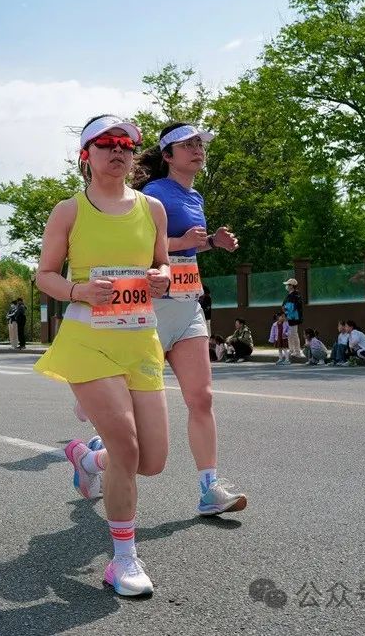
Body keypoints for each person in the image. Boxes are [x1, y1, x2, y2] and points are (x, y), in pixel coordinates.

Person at [35, 114, 172, 597]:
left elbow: (163, 265)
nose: (118, 150)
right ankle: (123, 560)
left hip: (140, 341)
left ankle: (89, 459)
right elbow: (44, 275)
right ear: (86, 155)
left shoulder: (154, 209)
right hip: (88, 342)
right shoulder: (68, 211)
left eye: (126, 145)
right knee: (128, 448)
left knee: (151, 461)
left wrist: (161, 278)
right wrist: (78, 290)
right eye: (106, 143)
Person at [133, 121, 248, 517]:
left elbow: (188, 251)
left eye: (200, 144)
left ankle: (209, 488)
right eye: (188, 145)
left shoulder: (194, 195)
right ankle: (94, 456)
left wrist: (213, 242)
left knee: (202, 397)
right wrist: (181, 242)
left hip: (187, 307)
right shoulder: (154, 193)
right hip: (151, 312)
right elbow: (139, 246)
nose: (198, 150)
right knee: (134, 412)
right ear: (168, 155)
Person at [282, 278, 304, 358]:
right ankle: (291, 350)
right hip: (289, 317)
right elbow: (285, 305)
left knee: (294, 334)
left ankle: (297, 351)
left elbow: (292, 307)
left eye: (288, 285)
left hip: (293, 318)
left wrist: (286, 311)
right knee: (290, 334)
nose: (287, 286)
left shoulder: (295, 296)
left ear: (292, 286)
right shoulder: (290, 295)